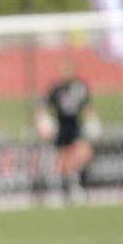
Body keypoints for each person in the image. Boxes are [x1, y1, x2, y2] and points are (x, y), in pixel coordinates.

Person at [35, 58, 101, 201]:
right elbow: (43, 104)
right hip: (62, 126)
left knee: (85, 152)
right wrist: (43, 121)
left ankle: (79, 182)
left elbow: (87, 105)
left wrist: (93, 122)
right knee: (64, 159)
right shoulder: (56, 88)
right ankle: (65, 187)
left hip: (75, 125)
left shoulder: (79, 87)